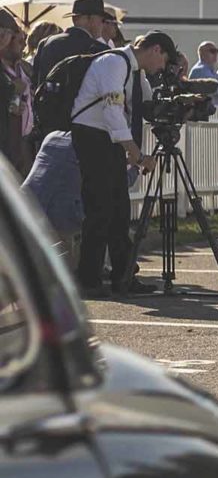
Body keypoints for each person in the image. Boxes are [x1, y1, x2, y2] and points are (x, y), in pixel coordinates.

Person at [72, 31, 176, 296]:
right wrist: (135, 153)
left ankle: (123, 275)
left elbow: (145, 107)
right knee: (100, 209)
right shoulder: (114, 63)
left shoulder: (134, 71)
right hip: (93, 137)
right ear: (154, 49)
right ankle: (88, 280)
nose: (161, 67)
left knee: (119, 211)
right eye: (163, 59)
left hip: (107, 140)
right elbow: (112, 110)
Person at [31, 0, 108, 95]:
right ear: (90, 19)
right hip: (83, 109)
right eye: (102, 20)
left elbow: (36, 83)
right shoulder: (100, 49)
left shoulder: (46, 43)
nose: (103, 25)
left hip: (49, 107)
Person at [0, 11, 34, 173]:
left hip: (23, 143)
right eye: (20, 41)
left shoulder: (26, 69)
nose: (24, 46)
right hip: (6, 144)